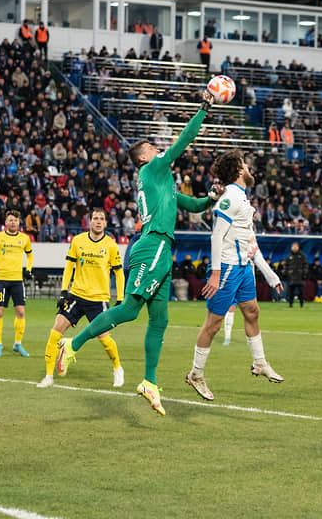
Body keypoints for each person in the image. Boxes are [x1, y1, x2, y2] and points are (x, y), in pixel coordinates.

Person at [57, 90, 221, 416]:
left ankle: (149, 381)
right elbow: (181, 143)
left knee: (160, 319)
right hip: (153, 245)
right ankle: (71, 345)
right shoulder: (150, 171)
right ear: (145, 158)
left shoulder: (165, 186)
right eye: (152, 148)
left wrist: (213, 196)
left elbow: (196, 206)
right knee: (131, 309)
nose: (158, 149)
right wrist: (204, 108)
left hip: (162, 247)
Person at [185, 150, 285, 402]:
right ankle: (195, 374)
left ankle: (260, 362)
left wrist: (270, 276)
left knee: (252, 312)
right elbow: (216, 234)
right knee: (213, 324)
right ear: (239, 171)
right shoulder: (230, 197)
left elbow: (249, 240)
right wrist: (216, 273)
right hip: (227, 269)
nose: (249, 168)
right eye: (244, 164)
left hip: (243, 268)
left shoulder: (240, 196)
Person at [37, 208, 125, 389]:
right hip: (76, 295)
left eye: (102, 218)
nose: (98, 221)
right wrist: (63, 292)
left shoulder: (111, 245)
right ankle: (48, 376)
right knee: (55, 332)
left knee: (104, 338)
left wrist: (120, 299)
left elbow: (119, 273)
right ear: (90, 221)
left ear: (106, 223)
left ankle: (118, 369)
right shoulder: (78, 241)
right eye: (95, 218)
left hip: (99, 299)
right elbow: (69, 266)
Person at [0, 210, 34, 357]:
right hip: (0, 280)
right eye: (10, 220)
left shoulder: (25, 238)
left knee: (21, 312)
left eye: (15, 220)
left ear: (19, 222)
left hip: (17, 281)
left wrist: (28, 270)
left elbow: (30, 256)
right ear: (6, 222)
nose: (12, 222)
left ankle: (18, 344)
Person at [284, 242, 308, 308]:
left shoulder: (302, 256)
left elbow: (305, 265)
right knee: (291, 292)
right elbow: (286, 266)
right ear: (291, 248)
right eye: (293, 247)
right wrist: (286, 273)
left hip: (300, 277)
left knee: (301, 292)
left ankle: (301, 304)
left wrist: (304, 273)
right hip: (291, 277)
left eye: (295, 247)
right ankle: (290, 304)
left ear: (298, 247)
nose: (294, 248)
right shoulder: (289, 257)